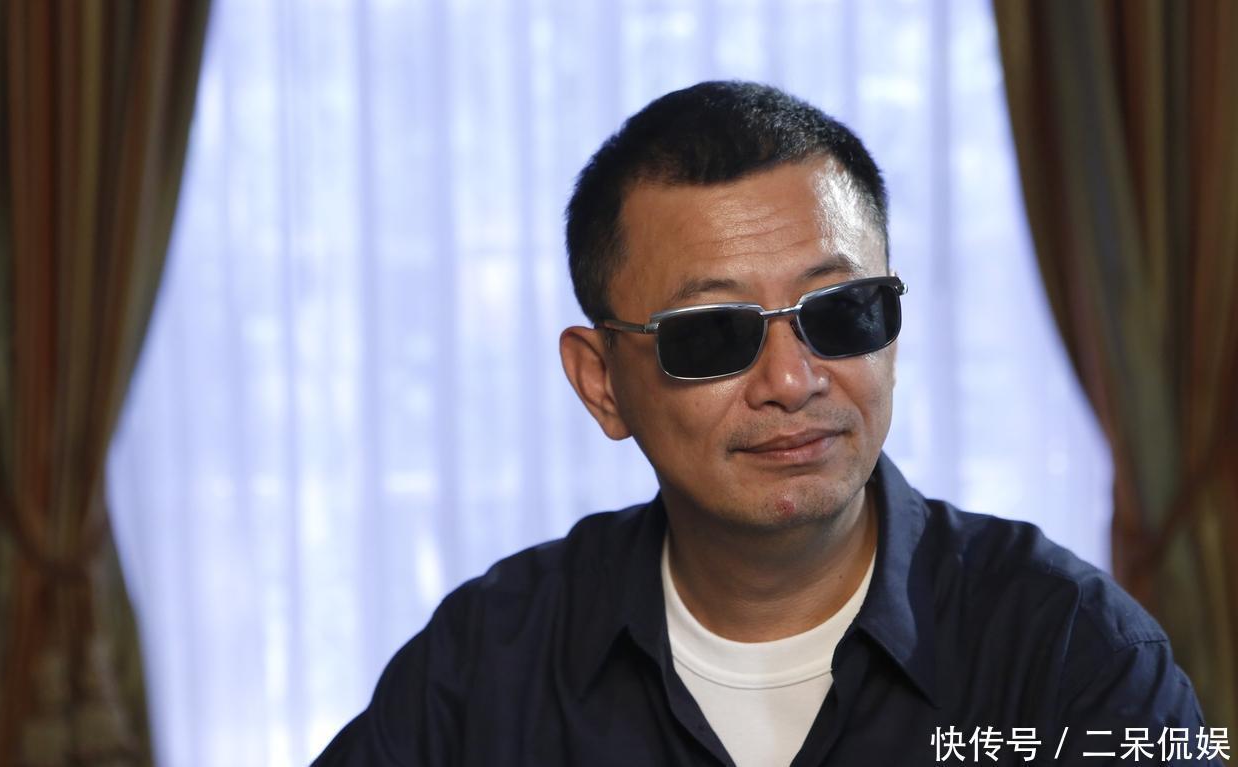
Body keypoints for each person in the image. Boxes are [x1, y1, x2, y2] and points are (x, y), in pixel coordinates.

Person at [313, 81, 1218, 766]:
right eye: (713, 334)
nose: (791, 380)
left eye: (842, 311)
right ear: (601, 383)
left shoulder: (1070, 652)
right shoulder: (486, 666)